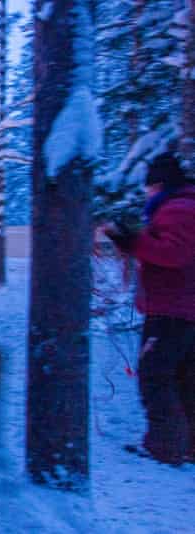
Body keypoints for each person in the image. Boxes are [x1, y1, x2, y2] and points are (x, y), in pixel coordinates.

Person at [104, 152, 195, 465]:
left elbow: (173, 253)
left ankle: (166, 447)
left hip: (172, 311)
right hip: (182, 311)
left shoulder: (178, 209)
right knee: (183, 377)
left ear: (159, 184)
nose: (147, 193)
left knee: (155, 376)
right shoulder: (183, 205)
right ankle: (186, 446)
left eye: (150, 187)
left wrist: (133, 242)